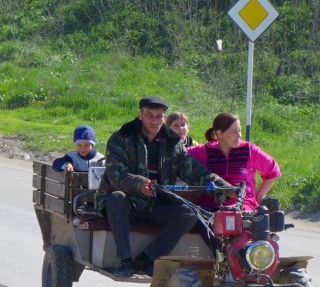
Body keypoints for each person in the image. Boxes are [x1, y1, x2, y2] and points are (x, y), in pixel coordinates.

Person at [96, 96, 233, 277]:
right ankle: (125, 261)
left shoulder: (173, 143)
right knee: (116, 198)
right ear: (140, 115)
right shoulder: (121, 137)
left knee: (189, 213)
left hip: (155, 204)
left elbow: (195, 172)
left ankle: (147, 259)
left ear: (164, 117)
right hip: (126, 205)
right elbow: (115, 175)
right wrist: (140, 185)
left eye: (159, 116)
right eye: (150, 116)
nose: (155, 121)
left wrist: (224, 188)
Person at [188, 112, 281, 212]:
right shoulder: (203, 151)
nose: (239, 135)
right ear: (219, 134)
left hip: (243, 206)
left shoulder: (250, 150)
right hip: (210, 205)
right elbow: (177, 155)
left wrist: (258, 198)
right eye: (234, 132)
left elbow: (273, 170)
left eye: (240, 131)